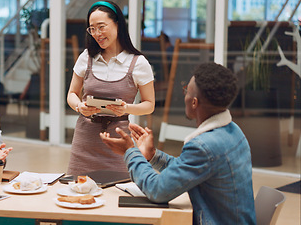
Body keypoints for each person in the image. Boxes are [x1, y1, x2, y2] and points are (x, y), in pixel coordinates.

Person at [100, 62, 256, 224]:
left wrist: (130, 151)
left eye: (186, 91)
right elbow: (191, 167)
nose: (185, 96)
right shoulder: (233, 131)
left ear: (194, 102)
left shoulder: (204, 146)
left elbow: (157, 190)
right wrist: (152, 155)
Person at [66, 1, 155, 175]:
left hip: (119, 141)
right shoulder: (86, 57)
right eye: (92, 29)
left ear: (118, 24)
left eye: (101, 27)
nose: (97, 34)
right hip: (84, 139)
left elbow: (149, 104)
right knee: (78, 194)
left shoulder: (138, 63)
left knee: (116, 194)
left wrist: (126, 109)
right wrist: (79, 107)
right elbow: (72, 94)